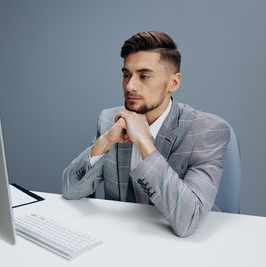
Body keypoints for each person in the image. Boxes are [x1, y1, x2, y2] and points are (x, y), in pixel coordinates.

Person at [62, 31, 230, 237]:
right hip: (122, 238)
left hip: (182, 245)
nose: (130, 86)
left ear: (173, 83)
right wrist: (106, 140)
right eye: (126, 75)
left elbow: (188, 221)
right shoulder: (110, 120)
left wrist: (144, 141)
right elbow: (71, 190)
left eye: (144, 76)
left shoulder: (206, 131)